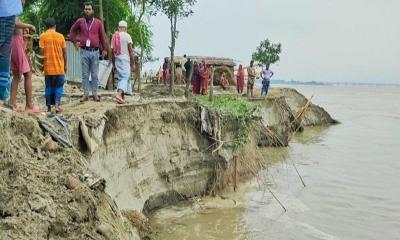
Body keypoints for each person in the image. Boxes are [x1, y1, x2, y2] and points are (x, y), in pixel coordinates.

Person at [69, 2, 107, 102]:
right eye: (86, 9)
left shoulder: (98, 22)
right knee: (85, 74)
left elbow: (103, 36)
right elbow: (72, 31)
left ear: (92, 10)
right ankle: (85, 94)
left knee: (94, 74)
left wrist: (105, 49)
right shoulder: (80, 21)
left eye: (89, 9)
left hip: (95, 52)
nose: (87, 11)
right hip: (84, 51)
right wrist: (74, 42)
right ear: (84, 10)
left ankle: (95, 94)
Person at [9, 17, 39, 112]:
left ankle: (12, 103)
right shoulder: (14, 10)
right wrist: (29, 25)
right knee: (28, 74)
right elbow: (15, 23)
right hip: (17, 44)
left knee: (17, 75)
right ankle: (29, 105)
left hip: (13, 43)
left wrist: (25, 37)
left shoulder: (9, 10)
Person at [39, 17, 67, 113]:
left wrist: (41, 65)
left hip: (48, 69)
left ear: (46, 27)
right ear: (55, 26)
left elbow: (41, 53)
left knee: (49, 87)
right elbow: (65, 53)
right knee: (59, 87)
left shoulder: (43, 36)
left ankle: (49, 107)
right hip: (59, 68)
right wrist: (65, 66)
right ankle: (57, 105)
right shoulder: (61, 36)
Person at [0, 0, 23, 106]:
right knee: (4, 56)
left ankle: (3, 96)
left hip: (6, 12)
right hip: (5, 12)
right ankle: (1, 96)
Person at [111, 20, 134, 104]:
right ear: (125, 28)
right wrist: (133, 63)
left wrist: (113, 63)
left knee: (121, 77)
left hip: (117, 59)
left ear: (118, 27)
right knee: (125, 77)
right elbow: (131, 51)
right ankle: (119, 94)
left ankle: (122, 98)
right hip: (125, 59)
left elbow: (112, 51)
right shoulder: (127, 36)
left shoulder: (114, 36)